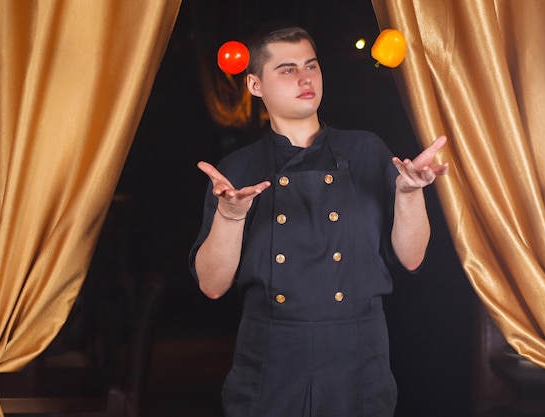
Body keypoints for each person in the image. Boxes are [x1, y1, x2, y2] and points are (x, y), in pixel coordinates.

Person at [189, 24, 448, 417]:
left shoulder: (367, 150)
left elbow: (412, 258)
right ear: (255, 85)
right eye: (287, 69)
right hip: (271, 359)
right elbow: (211, 285)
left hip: (358, 357)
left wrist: (410, 194)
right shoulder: (237, 170)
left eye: (311, 65)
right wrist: (229, 215)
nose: (305, 78)